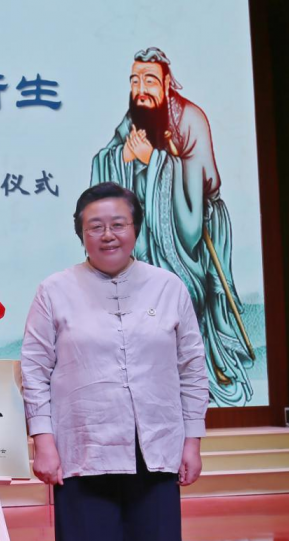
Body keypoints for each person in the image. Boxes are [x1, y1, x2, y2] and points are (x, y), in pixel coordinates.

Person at [20, 182, 208, 541]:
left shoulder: (168, 287)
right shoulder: (54, 290)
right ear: (81, 234)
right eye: (95, 227)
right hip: (83, 451)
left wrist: (192, 441)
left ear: (136, 229)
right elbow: (34, 369)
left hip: (154, 450)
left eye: (118, 224)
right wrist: (43, 442)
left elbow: (192, 368)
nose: (108, 235)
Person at [90, 46, 254, 406]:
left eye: (149, 80)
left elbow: (197, 192)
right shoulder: (135, 117)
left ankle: (197, 373)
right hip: (150, 234)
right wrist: (124, 157)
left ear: (167, 83)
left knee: (184, 294)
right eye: (135, 81)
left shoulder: (190, 119)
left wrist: (155, 162)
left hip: (193, 227)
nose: (141, 89)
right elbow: (106, 159)